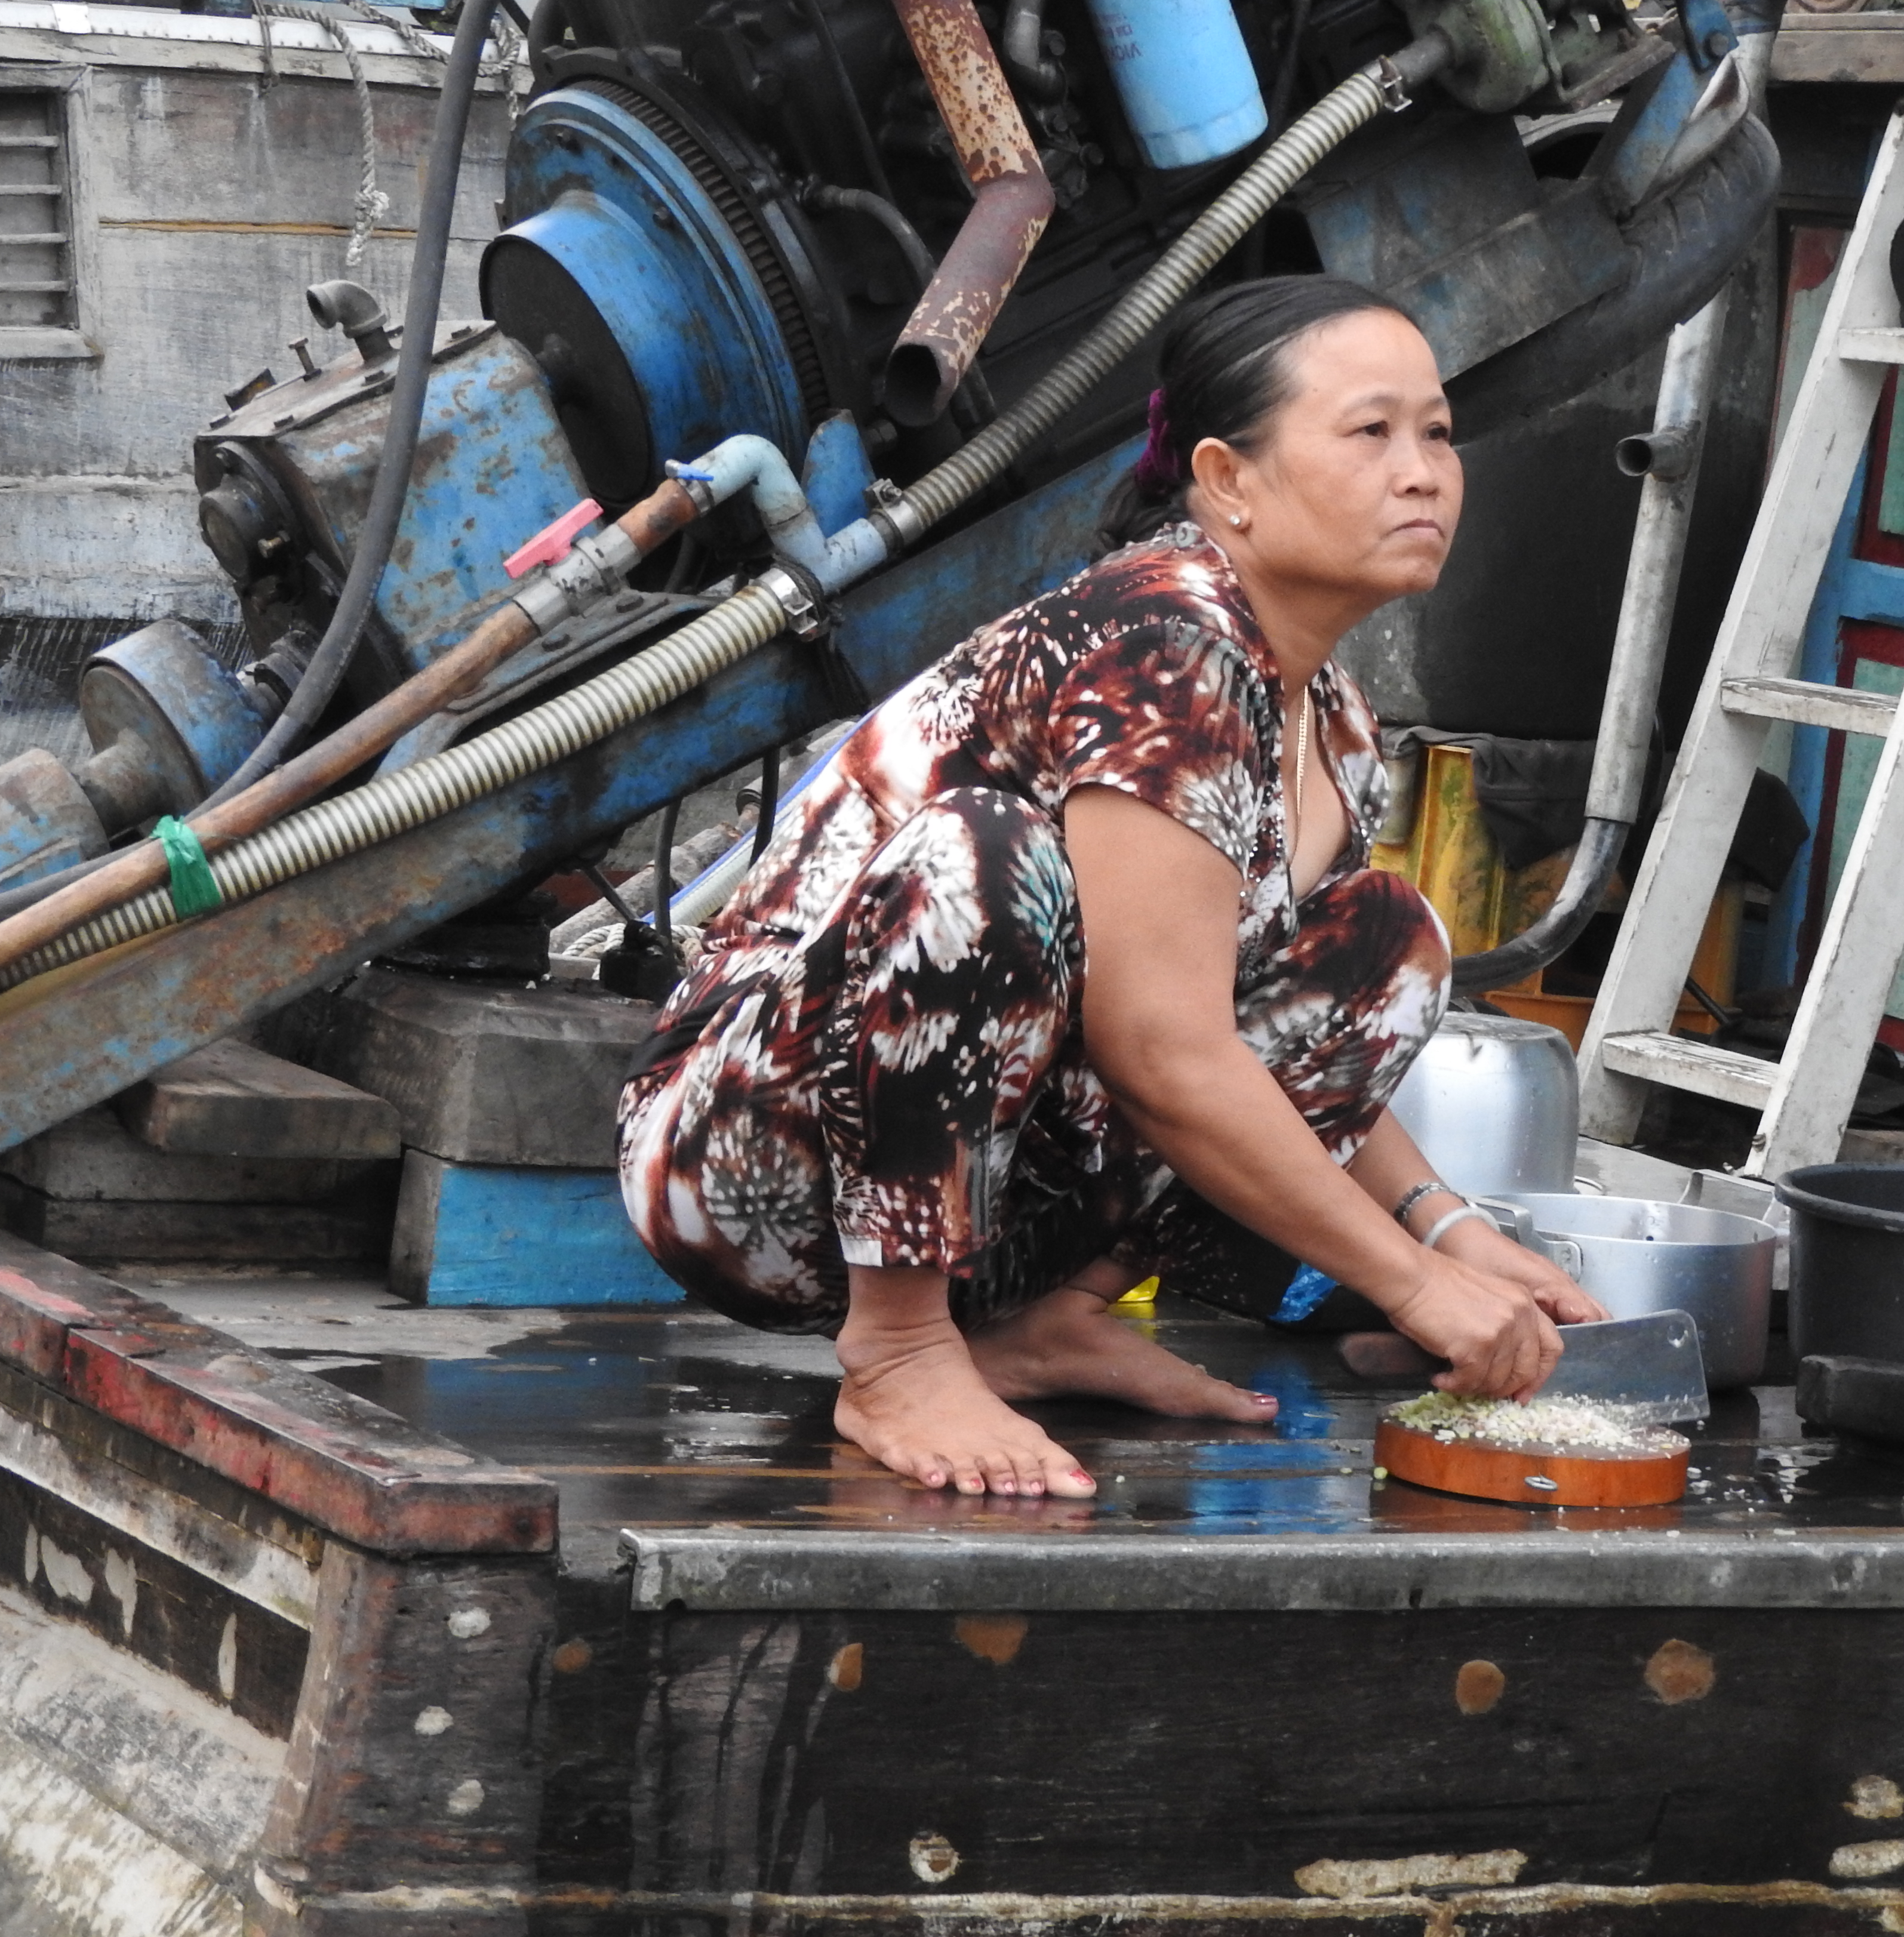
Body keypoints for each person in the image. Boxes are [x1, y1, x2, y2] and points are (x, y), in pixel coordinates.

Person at [618, 275, 1601, 1501]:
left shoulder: (1334, 719)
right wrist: (1413, 1287)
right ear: (1226, 480)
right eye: (1372, 431)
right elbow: (1162, 1049)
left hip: (987, 1196)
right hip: (745, 1158)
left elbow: (1273, 1024)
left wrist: (1452, 1233)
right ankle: (900, 1346)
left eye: (1439, 434)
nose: (1424, 473)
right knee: (981, 851)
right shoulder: (1165, 635)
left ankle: (1050, 1318)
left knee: (1383, 943)